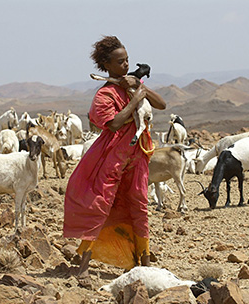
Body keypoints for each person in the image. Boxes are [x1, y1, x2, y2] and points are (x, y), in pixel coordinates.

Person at [62, 35, 166, 286]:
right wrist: (135, 100)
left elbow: (161, 105)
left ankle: (145, 265)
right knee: (101, 205)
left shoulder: (132, 85)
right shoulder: (105, 95)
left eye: (127, 60)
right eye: (120, 62)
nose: (125, 65)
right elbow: (114, 123)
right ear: (107, 65)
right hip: (112, 158)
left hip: (137, 157)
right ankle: (83, 266)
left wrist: (142, 89)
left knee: (139, 205)